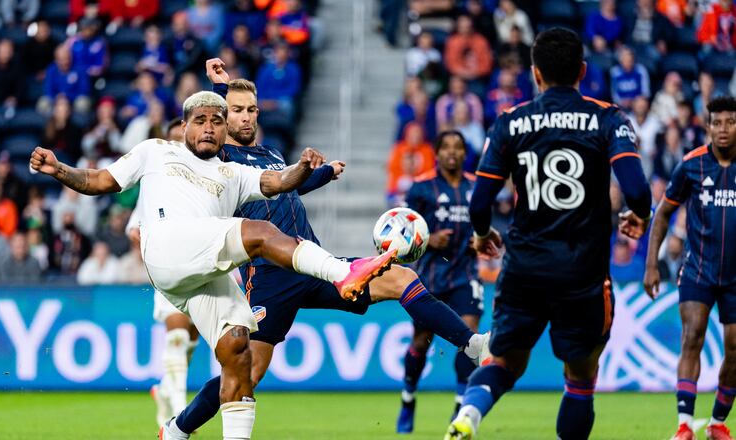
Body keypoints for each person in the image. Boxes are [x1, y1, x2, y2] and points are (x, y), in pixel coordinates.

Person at [30, 90, 400, 440]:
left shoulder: (233, 173)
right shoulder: (157, 151)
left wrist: (302, 168)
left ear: (226, 130)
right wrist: (59, 169)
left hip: (199, 273)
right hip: (166, 248)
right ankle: (341, 272)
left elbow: (277, 181)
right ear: (185, 126)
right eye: (200, 120)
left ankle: (174, 432)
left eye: (217, 121)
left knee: (238, 349)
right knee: (258, 232)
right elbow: (100, 180)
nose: (209, 127)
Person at [162, 61, 492, 439]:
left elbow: (289, 187)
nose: (247, 117)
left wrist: (322, 172)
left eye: (252, 109)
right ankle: (178, 429)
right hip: (270, 278)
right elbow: (202, 140)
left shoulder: (268, 154)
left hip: (316, 265)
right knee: (244, 373)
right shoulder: (219, 160)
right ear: (223, 116)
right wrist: (221, 89)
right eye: (237, 111)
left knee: (402, 278)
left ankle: (471, 345)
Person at [446, 28, 652, 440]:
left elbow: (480, 201)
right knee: (580, 375)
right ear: (583, 70)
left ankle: (469, 413)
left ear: (535, 74)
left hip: (525, 266)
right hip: (584, 271)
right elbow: (638, 191)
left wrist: (483, 233)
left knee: (503, 362)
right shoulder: (608, 117)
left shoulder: (511, 121)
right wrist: (638, 214)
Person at [643, 96, 736, 440]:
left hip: (735, 278)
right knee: (692, 335)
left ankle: (717, 423)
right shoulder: (692, 165)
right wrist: (652, 263)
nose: (723, 129)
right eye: (717, 122)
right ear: (707, 126)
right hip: (698, 269)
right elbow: (664, 212)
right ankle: (684, 425)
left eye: (730, 122)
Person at [397, 130, 483, 433]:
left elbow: (489, 224)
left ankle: (460, 408)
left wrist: (481, 239)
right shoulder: (422, 188)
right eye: (446, 147)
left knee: (469, 340)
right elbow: (403, 235)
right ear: (437, 152)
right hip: (431, 276)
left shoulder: (477, 186)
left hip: (466, 274)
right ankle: (408, 398)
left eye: (458, 147)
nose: (452, 152)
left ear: (464, 153)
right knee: (421, 342)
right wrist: (429, 240)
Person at [126, 118, 201, 426]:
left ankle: (166, 390)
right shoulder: (155, 182)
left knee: (191, 339)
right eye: (172, 141)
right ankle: (179, 413)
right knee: (178, 337)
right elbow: (134, 229)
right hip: (170, 269)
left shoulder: (203, 176)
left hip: (202, 267)